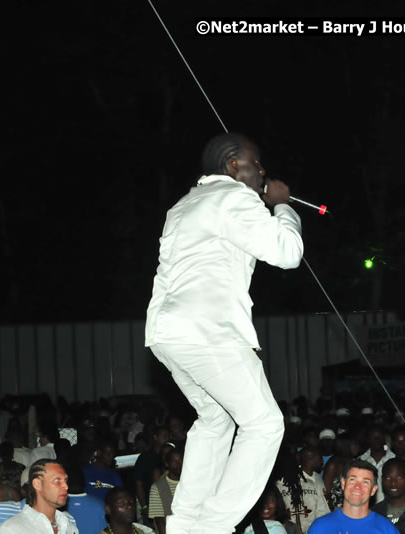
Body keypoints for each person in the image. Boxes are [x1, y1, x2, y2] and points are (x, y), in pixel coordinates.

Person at [144, 132, 303, 534]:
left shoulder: (182, 206)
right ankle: (212, 526)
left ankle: (185, 522)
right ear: (234, 166)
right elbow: (287, 252)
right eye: (257, 163)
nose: (263, 171)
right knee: (265, 424)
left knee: (215, 419)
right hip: (208, 331)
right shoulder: (234, 197)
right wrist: (282, 207)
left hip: (167, 334)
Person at [307, 459, 398, 533]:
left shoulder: (387, 529)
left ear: (373, 490)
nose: (357, 487)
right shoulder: (320, 528)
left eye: (365, 482)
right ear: (343, 484)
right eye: (352, 480)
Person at [0, 459, 78, 534]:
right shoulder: (11, 530)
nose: (66, 486)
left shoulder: (68, 525)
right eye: (57, 480)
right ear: (37, 484)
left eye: (65, 480)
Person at [276, 445, 330, 533]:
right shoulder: (280, 482)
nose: (322, 461)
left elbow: (322, 511)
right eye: (320, 457)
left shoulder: (315, 479)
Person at [149, 446, 184, 534]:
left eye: (181, 460)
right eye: (174, 461)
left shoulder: (192, 483)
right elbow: (159, 521)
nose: (179, 464)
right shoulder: (158, 488)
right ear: (167, 464)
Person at [359, 426, 396, 504]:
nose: (376, 440)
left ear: (384, 439)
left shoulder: (394, 459)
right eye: (373, 437)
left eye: (379, 437)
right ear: (368, 439)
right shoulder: (361, 461)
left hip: (389, 506)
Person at [372, 458, 405, 524]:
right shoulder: (374, 513)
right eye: (388, 478)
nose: (393, 483)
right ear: (382, 480)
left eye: (399, 478)